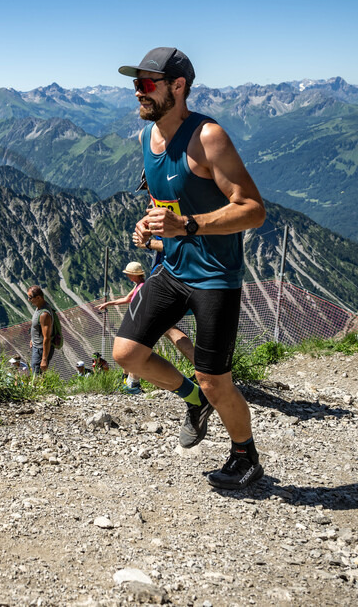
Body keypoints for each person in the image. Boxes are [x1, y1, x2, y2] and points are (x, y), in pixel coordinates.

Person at [112, 47, 267, 490]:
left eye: (146, 84)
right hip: (175, 268)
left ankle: (245, 455)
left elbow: (254, 210)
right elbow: (167, 202)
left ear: (177, 86)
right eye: (135, 84)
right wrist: (153, 223)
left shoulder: (208, 137)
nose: (138, 93)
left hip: (216, 275)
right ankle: (192, 399)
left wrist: (190, 224)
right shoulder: (148, 138)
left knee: (217, 381)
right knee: (127, 354)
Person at [96, 260, 196, 387]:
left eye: (128, 273)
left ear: (134, 274)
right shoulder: (137, 286)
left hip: (140, 320)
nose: (127, 276)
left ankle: (133, 382)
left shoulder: (143, 286)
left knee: (133, 347)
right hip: (136, 318)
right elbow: (127, 299)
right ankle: (127, 379)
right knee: (129, 347)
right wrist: (108, 304)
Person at [27, 286, 55, 374]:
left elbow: (47, 338)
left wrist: (44, 359)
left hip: (40, 349)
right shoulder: (39, 308)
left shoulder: (44, 314)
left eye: (30, 297)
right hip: (37, 346)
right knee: (36, 373)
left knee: (36, 375)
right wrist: (33, 339)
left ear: (38, 297)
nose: (28, 300)